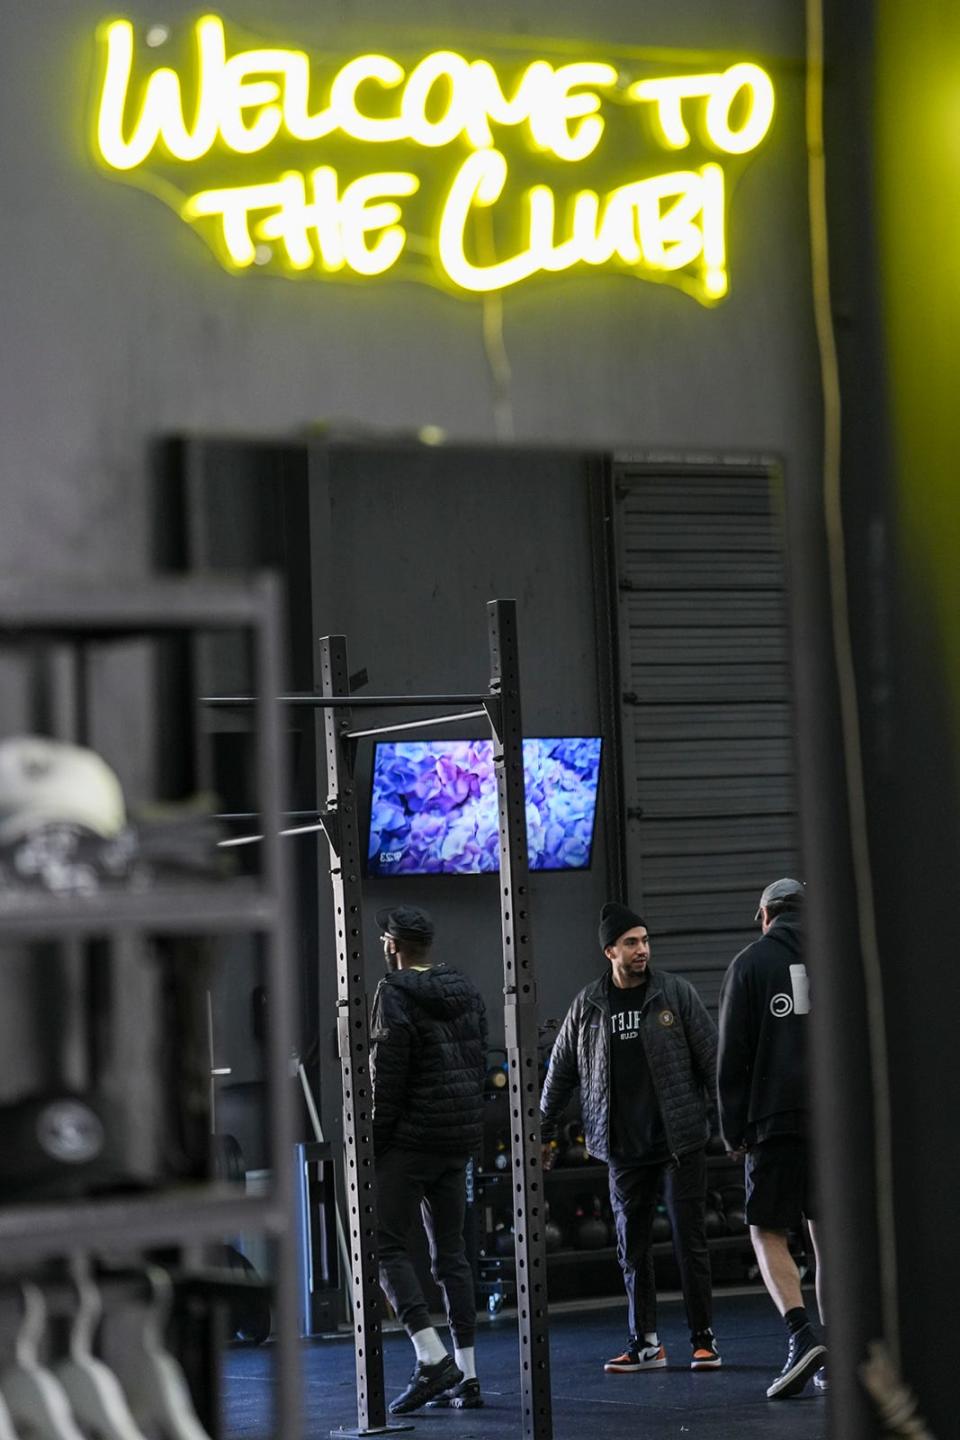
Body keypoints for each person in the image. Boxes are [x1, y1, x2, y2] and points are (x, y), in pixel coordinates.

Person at [540, 901, 721, 1373]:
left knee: (690, 1243)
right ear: (609, 951)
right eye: (631, 943)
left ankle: (703, 1339)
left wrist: (730, 1124)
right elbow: (559, 1074)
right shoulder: (589, 1005)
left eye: (644, 940)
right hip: (622, 1147)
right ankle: (645, 1343)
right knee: (632, 1248)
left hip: (678, 1142)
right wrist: (543, 1132)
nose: (642, 950)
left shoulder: (674, 994)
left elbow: (712, 1063)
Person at [369, 904, 487, 1414]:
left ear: (393, 945)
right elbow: (481, 1060)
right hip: (455, 1141)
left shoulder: (392, 993)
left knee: (381, 1244)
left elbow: (387, 1077)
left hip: (412, 1141)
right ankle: (468, 1375)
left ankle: (431, 1356)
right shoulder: (465, 990)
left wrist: (373, 1140)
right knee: (452, 1256)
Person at [717, 878, 827, 1399]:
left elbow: (731, 1057)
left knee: (766, 1231)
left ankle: (802, 1334)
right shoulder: (838, 956)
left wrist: (732, 1129)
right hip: (834, 1123)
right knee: (826, 1236)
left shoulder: (749, 963)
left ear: (765, 915)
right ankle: (839, 1350)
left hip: (775, 1120)